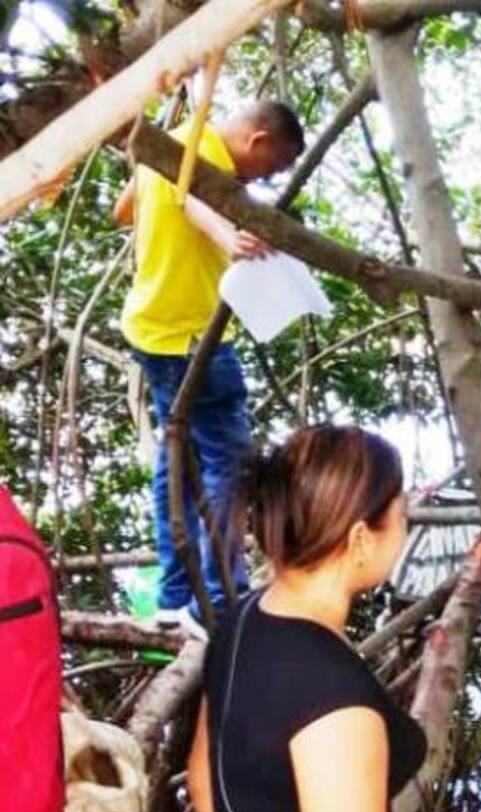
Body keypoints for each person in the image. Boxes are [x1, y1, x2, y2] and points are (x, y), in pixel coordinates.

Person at [186, 425, 427, 812]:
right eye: (402, 514)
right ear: (361, 540)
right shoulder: (336, 701)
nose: (407, 526)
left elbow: (201, 784)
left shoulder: (242, 622)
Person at [112, 101, 305, 635]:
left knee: (175, 463)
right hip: (192, 337)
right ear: (258, 139)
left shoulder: (168, 144)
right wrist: (225, 236)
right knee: (231, 463)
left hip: (152, 329)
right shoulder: (196, 156)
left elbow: (124, 210)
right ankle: (216, 598)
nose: (259, 178)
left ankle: (176, 596)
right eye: (268, 166)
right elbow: (187, 193)